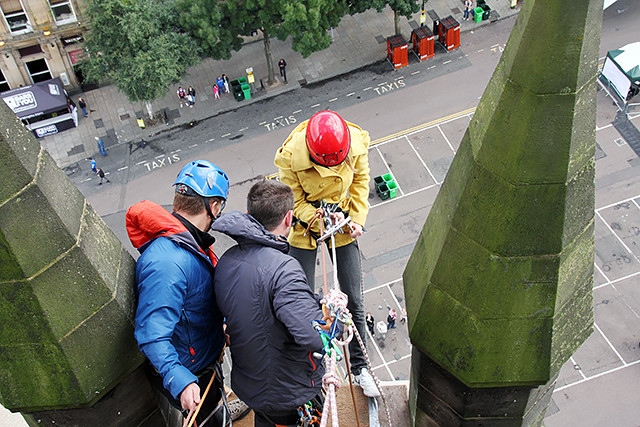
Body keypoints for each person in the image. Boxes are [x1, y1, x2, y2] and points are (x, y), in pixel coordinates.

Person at [273, 110, 379, 397]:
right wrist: (317, 219)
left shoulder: (356, 144)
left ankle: (360, 368)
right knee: (299, 302)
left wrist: (356, 218)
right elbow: (293, 200)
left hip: (342, 220)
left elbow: (359, 181)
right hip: (306, 225)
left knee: (353, 297)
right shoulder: (291, 156)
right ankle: (306, 370)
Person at [126, 160, 233, 426]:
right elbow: (152, 334)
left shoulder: (186, 243)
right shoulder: (167, 263)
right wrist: (180, 380)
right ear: (215, 206)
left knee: (217, 413)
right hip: (191, 372)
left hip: (201, 357)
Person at [212, 179, 327, 427]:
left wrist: (310, 301)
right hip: (286, 390)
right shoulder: (283, 269)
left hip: (249, 382)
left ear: (248, 215)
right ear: (288, 219)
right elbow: (315, 336)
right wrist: (331, 316)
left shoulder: (227, 261)